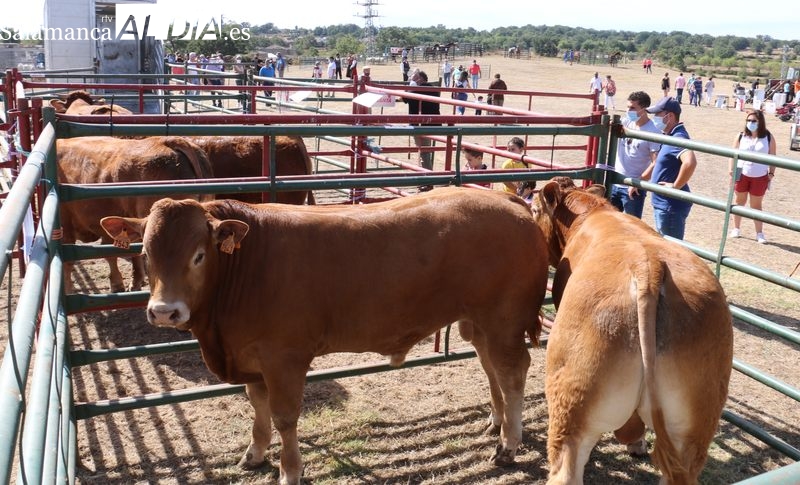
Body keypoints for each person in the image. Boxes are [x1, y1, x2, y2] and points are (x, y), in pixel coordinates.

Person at [645, 96, 697, 239]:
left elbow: (690, 162)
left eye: (658, 114)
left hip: (670, 206)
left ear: (670, 116)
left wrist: (675, 187)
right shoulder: (670, 135)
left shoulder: (678, 137)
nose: (655, 118)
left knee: (671, 245)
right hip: (665, 204)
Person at [609, 91, 661, 218]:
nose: (628, 111)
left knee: (631, 225)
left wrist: (638, 182)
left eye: (632, 108)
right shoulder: (626, 122)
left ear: (644, 109)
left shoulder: (653, 131)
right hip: (614, 182)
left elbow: (655, 162)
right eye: (627, 107)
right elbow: (610, 125)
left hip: (633, 188)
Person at [728, 110, 777, 243]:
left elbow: (773, 156)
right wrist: (731, 171)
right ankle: (736, 228)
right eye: (748, 121)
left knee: (756, 205)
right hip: (741, 172)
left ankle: (759, 233)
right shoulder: (741, 136)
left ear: (760, 122)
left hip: (760, 175)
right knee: (739, 201)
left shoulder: (768, 137)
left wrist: (771, 173)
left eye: (754, 121)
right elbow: (733, 154)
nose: (750, 123)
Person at [401, 70, 441, 178]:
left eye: (413, 78)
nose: (411, 80)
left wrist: (410, 87)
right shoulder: (433, 89)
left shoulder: (416, 90)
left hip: (420, 125)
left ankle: (428, 178)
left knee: (424, 152)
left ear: (420, 79)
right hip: (432, 123)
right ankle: (425, 175)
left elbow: (404, 98)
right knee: (425, 151)